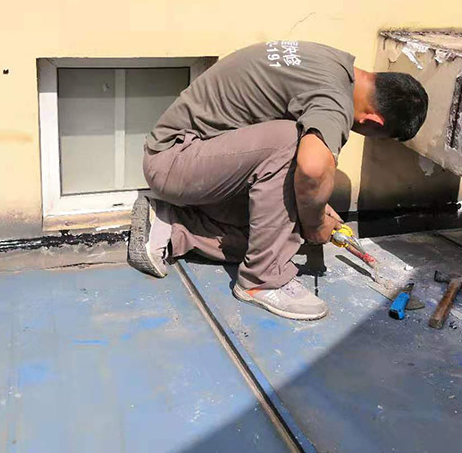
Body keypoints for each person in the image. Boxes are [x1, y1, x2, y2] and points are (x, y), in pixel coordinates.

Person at [127, 41, 428, 320]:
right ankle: (263, 280)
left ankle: (170, 227)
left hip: (197, 162)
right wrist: (315, 223)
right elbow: (311, 169)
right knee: (293, 143)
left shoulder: (336, 66)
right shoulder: (335, 101)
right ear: (373, 121)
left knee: (275, 238)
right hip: (175, 161)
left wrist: (314, 210)